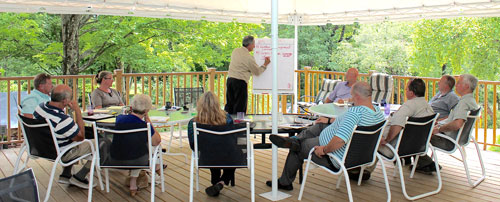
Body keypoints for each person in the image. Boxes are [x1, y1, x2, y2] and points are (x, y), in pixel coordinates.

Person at [267, 82, 385, 190]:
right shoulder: (377, 113)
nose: (350, 98)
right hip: (360, 157)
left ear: (357, 96)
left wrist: (324, 149)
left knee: (297, 148)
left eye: (352, 95)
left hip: (333, 156)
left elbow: (339, 141)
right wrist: (329, 121)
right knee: (320, 125)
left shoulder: (355, 113)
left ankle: (285, 182)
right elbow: (348, 126)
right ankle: (292, 139)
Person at [416, 74, 479, 174]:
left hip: (448, 141)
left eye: (459, 83)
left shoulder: (463, 103)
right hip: (458, 139)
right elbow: (453, 120)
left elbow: (457, 124)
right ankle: (423, 162)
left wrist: (438, 129)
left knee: (415, 133)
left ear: (466, 86)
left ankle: (425, 163)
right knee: (420, 130)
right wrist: (439, 125)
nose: (456, 85)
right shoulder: (471, 101)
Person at [33, 84, 93, 189]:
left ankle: (66, 174)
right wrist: (77, 111)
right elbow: (81, 137)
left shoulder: (40, 107)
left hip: (45, 147)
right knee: (102, 143)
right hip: (61, 153)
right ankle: (79, 177)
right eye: (71, 98)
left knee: (71, 136)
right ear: (65, 101)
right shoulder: (62, 119)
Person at [114, 94, 162, 196]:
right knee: (151, 147)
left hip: (115, 158)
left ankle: (133, 183)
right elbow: (157, 141)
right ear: (146, 111)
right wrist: (148, 120)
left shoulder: (119, 119)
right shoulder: (143, 125)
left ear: (131, 107)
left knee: (135, 147)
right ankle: (157, 169)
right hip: (138, 159)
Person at [188, 91, 234, 197]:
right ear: (217, 104)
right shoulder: (227, 119)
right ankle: (222, 182)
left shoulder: (193, 123)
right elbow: (232, 141)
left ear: (200, 105)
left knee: (211, 149)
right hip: (228, 157)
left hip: (205, 158)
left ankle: (215, 182)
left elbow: (193, 145)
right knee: (236, 152)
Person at [224, 35, 271, 114]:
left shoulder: (235, 51)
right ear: (249, 44)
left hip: (230, 80)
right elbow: (257, 72)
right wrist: (265, 64)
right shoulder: (249, 57)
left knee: (230, 104)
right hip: (240, 82)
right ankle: (239, 124)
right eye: (254, 44)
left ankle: (228, 122)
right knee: (240, 107)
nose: (254, 46)